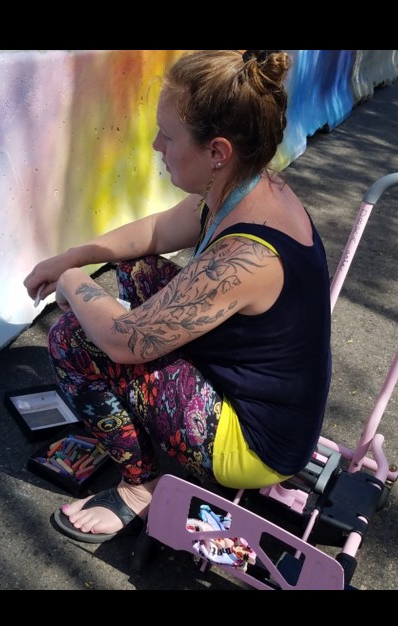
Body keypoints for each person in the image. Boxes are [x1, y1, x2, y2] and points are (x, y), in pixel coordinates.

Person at [22, 49, 332, 544]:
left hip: (254, 445)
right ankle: (150, 428)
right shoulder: (247, 186)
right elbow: (157, 231)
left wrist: (75, 281)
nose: (154, 144)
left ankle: (137, 486)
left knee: (73, 339)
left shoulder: (249, 258)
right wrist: (74, 255)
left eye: (168, 134)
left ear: (217, 152)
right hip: (256, 395)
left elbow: (124, 341)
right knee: (137, 268)